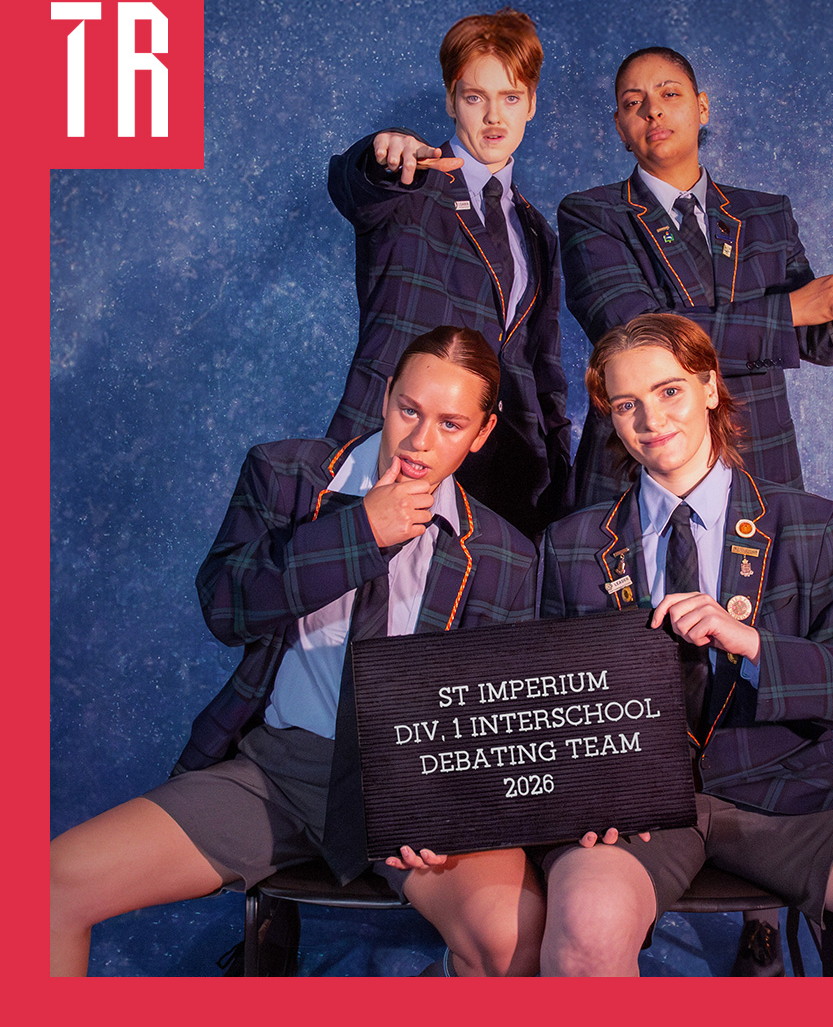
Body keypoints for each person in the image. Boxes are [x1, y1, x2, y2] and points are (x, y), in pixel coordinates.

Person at [50, 326, 544, 977]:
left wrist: (446, 802)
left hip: (406, 786)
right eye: (409, 411)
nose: (421, 441)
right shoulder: (285, 476)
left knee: (509, 937)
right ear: (387, 394)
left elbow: (492, 715)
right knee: (51, 885)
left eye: (451, 424)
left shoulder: (505, 555)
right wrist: (360, 531)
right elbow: (226, 609)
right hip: (275, 773)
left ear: (482, 434)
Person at [538, 313, 833, 977]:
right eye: (627, 404)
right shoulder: (571, 544)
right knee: (586, 929)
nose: (651, 419)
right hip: (635, 812)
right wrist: (581, 795)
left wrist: (755, 645)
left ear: (709, 387)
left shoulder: (813, 525)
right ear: (609, 417)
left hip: (785, 792)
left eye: (669, 390)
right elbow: (546, 705)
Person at [559, 45, 833, 509]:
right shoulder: (592, 213)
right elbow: (637, 333)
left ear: (702, 107)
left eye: (670, 93)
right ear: (620, 127)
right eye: (634, 103)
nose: (653, 109)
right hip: (638, 464)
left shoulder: (766, 212)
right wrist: (791, 309)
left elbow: (817, 341)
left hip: (757, 457)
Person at [326, 8, 570, 539]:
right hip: (398, 447)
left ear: (531, 104)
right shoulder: (412, 181)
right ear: (450, 100)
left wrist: (557, 466)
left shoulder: (538, 231)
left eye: (509, 98)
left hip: (507, 476)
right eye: (474, 97)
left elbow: (541, 366)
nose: (493, 118)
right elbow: (358, 186)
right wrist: (383, 153)